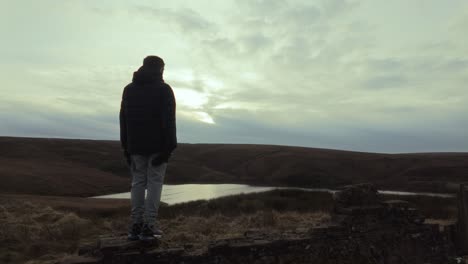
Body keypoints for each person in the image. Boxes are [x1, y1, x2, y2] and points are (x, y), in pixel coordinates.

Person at [119, 55, 177, 241]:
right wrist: (169, 148)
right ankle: (149, 226)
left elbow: (123, 120)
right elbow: (169, 120)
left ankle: (135, 225)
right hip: (158, 146)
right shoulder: (164, 89)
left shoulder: (129, 90)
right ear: (160, 69)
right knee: (154, 182)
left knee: (137, 182)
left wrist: (126, 147)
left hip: (135, 145)